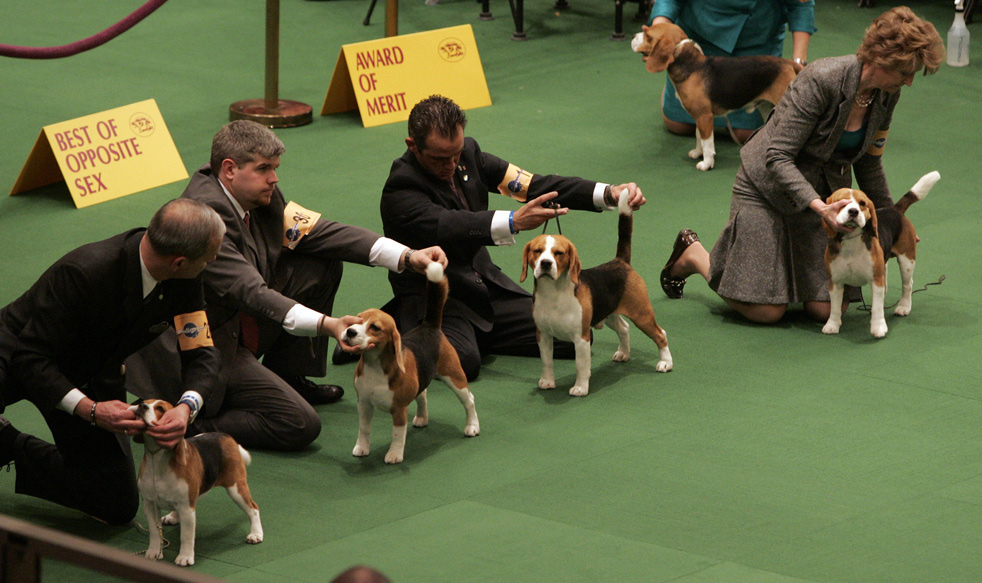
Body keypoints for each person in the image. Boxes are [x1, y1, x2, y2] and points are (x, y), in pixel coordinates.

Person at [125, 120, 447, 452]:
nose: (274, 178)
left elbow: (318, 232)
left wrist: (408, 256)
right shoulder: (205, 218)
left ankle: (290, 374)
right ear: (229, 169)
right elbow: (253, 293)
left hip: (238, 320)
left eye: (275, 168)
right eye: (264, 169)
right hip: (206, 345)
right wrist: (328, 325)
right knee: (299, 423)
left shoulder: (259, 194)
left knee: (319, 263)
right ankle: (192, 424)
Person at [659, 6, 945, 324]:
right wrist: (820, 208)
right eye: (906, 72)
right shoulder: (821, 79)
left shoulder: (886, 94)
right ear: (881, 58)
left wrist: (890, 220)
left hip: (822, 193)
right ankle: (694, 254)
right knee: (766, 311)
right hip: (765, 187)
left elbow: (868, 161)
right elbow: (777, 156)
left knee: (825, 308)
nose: (909, 82)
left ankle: (782, 276)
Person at [378, 95, 647, 381]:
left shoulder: (469, 154)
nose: (451, 165)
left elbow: (536, 186)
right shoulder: (401, 188)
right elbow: (452, 224)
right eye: (439, 158)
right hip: (435, 298)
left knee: (570, 336)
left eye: (455, 154)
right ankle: (399, 325)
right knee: (465, 364)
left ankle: (474, 333)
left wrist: (609, 193)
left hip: (483, 287)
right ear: (412, 145)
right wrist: (513, 221)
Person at [0, 199, 224, 525]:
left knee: (114, 501)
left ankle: (8, 445)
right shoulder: (85, 271)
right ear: (179, 261)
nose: (213, 260)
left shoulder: (186, 279)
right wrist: (90, 409)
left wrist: (187, 406)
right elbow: (30, 358)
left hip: (92, 372)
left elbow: (201, 351)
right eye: (209, 257)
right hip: (16, 352)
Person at [649, 0, 815, 144]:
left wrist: (799, 62)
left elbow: (800, 4)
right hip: (698, 46)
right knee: (679, 125)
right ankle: (678, 92)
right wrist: (657, 34)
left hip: (755, 49)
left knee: (747, 134)